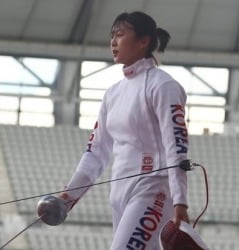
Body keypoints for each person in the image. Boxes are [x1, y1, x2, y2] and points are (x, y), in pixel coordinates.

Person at [59, 11, 190, 250]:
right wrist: (66, 199)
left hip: (154, 187)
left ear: (143, 41)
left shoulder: (163, 85)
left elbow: (177, 145)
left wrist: (180, 201)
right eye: (111, 35)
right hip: (119, 192)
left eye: (120, 34)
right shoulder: (112, 93)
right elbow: (95, 153)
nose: (113, 41)